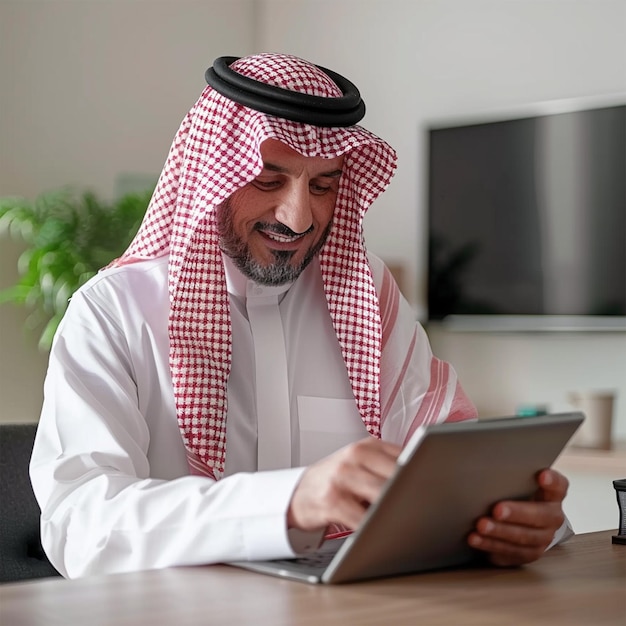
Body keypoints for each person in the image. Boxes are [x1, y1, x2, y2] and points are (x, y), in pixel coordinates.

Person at [30, 53, 571, 578]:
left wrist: (508, 522)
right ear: (213, 173)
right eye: (268, 180)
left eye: (323, 186)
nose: (298, 216)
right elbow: (81, 526)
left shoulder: (368, 294)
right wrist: (289, 503)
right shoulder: (113, 312)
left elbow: (448, 471)